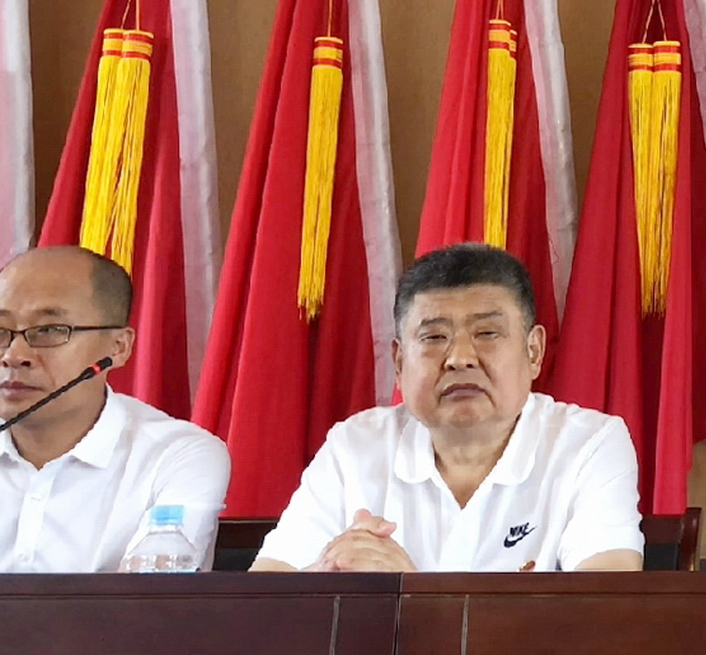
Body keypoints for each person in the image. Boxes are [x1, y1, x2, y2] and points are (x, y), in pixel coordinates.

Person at [252, 244, 642, 572]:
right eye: (434, 337)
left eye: (486, 333)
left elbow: (605, 606)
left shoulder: (589, 444)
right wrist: (325, 574)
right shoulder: (356, 445)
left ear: (534, 351)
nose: (459, 358)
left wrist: (413, 595)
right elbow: (266, 595)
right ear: (399, 363)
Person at [0, 246, 229, 571]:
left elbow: (148, 596)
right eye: (1, 332)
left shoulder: (174, 454)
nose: (13, 355)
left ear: (118, 347)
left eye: (49, 330)